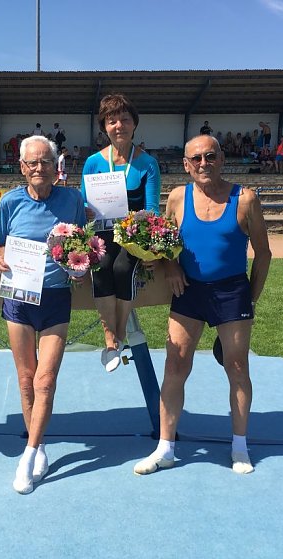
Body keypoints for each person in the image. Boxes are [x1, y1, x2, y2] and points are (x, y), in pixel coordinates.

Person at [134, 135, 271, 476]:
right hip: (189, 293)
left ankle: (239, 447)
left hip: (231, 292)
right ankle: (165, 448)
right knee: (175, 366)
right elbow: (163, 243)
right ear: (185, 164)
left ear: (222, 159)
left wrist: (249, 299)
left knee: (237, 368)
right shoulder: (178, 198)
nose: (203, 163)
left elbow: (264, 254)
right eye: (196, 158)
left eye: (210, 156)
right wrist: (170, 266)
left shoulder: (245, 200)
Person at [0, 135, 87, 494]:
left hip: (56, 299)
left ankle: (28, 455)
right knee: (25, 379)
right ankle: (40, 444)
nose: (38, 168)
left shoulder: (72, 200)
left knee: (45, 380)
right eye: (32, 163)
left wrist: (80, 268)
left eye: (45, 162)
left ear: (55, 167)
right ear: (22, 167)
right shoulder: (9, 201)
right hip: (18, 298)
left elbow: (81, 242)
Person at [80, 94, 161, 372]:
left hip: (134, 237)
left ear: (134, 124)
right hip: (103, 233)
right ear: (104, 126)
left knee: (124, 267)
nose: (119, 125)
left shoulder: (148, 163)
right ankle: (109, 338)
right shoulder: (93, 162)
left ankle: (121, 333)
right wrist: (87, 210)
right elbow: (83, 202)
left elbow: (151, 209)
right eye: (112, 120)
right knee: (101, 265)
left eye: (125, 119)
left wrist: (150, 248)